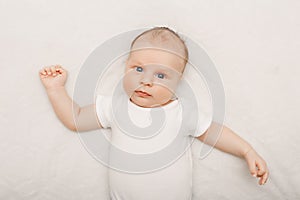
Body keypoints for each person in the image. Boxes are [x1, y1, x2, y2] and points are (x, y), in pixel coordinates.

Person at [39, 27, 269, 200]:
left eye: (161, 75)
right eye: (138, 69)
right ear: (126, 67)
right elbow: (75, 118)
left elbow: (214, 132)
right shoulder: (116, 106)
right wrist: (56, 89)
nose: (145, 80)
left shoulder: (182, 111)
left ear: (179, 81)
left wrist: (246, 150)